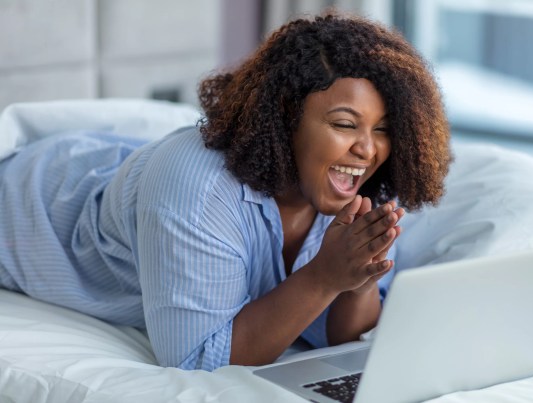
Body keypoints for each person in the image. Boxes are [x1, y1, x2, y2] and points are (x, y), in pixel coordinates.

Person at [0, 13, 450, 371]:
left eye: (384, 129)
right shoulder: (195, 188)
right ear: (285, 116)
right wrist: (324, 277)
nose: (368, 149)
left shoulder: (362, 183)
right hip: (27, 208)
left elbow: (342, 339)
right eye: (344, 124)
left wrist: (356, 281)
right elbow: (197, 360)